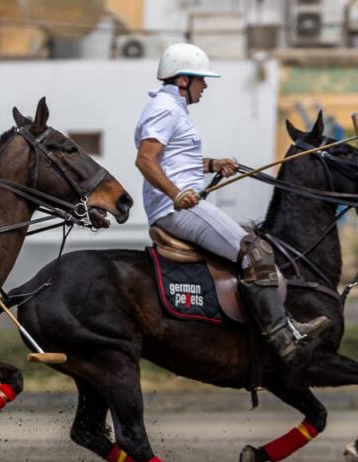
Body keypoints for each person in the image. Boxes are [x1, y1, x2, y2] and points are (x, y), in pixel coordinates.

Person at [134, 43, 330, 368]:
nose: (205, 86)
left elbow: (175, 159)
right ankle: (282, 336)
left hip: (178, 204)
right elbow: (146, 159)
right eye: (201, 79)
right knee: (255, 250)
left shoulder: (173, 107)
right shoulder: (165, 109)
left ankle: (282, 326)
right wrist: (176, 194)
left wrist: (211, 164)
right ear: (183, 80)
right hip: (176, 209)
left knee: (254, 245)